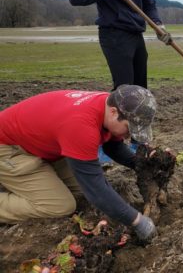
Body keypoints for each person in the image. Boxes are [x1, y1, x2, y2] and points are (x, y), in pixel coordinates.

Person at [0, 85, 160, 241]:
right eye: (129, 128)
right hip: (9, 148)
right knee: (60, 206)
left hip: (38, 144)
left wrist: (142, 165)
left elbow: (113, 146)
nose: (129, 136)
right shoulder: (82, 127)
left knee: (80, 193)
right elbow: (96, 190)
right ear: (113, 112)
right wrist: (137, 221)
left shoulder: (110, 105)